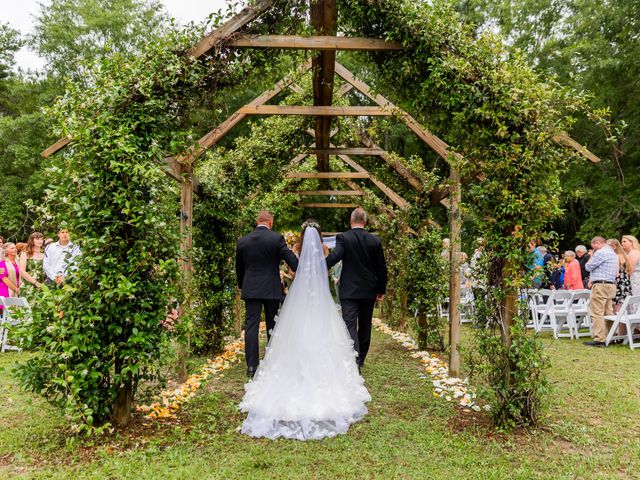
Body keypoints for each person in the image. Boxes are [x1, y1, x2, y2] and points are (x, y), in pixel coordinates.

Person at [239, 224, 370, 440]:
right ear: (319, 235)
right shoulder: (325, 251)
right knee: (323, 330)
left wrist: (293, 276)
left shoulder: (295, 248)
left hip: (299, 298)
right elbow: (324, 269)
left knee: (292, 330)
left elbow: (294, 270)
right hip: (319, 299)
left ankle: (261, 366)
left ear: (301, 235)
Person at [236, 210, 298, 379]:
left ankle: (251, 366)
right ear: (271, 222)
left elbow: (239, 269)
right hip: (271, 288)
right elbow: (290, 259)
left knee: (251, 326)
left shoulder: (243, 241)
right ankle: (273, 361)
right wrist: (300, 267)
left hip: (251, 288)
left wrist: (243, 285)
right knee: (273, 324)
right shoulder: (276, 238)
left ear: (257, 221)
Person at [326, 208, 388, 372]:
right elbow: (381, 267)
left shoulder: (343, 238)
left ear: (351, 221)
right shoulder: (374, 240)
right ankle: (360, 360)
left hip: (349, 290)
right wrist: (381, 289)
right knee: (366, 325)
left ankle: (354, 358)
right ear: (365, 222)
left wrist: (320, 264)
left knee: (349, 324)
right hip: (369, 290)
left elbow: (336, 256)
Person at [584, 236, 618, 347]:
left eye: (593, 246)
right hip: (611, 285)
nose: (593, 249)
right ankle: (610, 336)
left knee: (596, 312)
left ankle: (599, 339)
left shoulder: (600, 253)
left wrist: (592, 255)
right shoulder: (612, 253)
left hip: (601, 285)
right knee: (608, 312)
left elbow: (588, 267)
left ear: (597, 243)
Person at [607, 239, 632, 314]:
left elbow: (616, 273)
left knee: (617, 305)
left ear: (614, 247)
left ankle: (619, 324)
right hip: (625, 281)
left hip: (618, 281)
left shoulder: (616, 256)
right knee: (624, 304)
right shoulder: (624, 255)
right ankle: (625, 323)